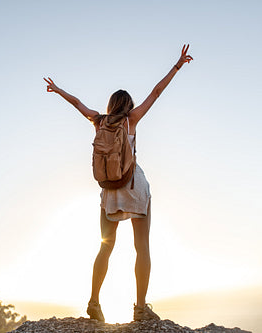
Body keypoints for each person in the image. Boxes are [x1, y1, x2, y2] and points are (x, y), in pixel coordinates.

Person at [43, 45, 193, 322]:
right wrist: (177, 65)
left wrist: (58, 89)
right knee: (142, 247)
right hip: (134, 188)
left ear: (111, 105)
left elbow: (78, 104)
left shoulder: (99, 122)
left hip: (109, 191)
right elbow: (157, 93)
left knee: (106, 245)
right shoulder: (131, 120)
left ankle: (94, 301)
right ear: (128, 106)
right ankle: (140, 308)